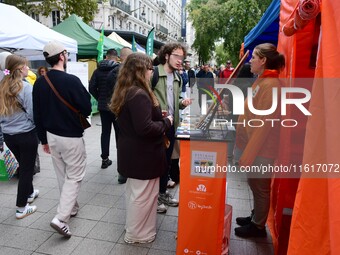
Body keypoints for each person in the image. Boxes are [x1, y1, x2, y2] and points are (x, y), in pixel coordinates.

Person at [109, 53, 173, 243]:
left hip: (134, 152)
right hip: (143, 155)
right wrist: (166, 122)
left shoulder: (128, 90)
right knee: (142, 197)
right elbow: (145, 128)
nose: (152, 72)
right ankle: (137, 234)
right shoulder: (139, 94)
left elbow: (137, 120)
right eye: (150, 68)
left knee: (136, 194)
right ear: (140, 71)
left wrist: (155, 115)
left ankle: (136, 230)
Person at [33, 41, 92, 237]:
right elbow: (87, 107)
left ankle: (72, 207)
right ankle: (61, 217)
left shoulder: (40, 81)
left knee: (62, 174)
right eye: (66, 54)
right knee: (74, 176)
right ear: (61, 56)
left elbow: (37, 114)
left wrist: (43, 140)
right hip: (71, 136)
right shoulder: (72, 81)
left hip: (51, 135)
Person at [234, 43, 285, 238]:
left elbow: (264, 125)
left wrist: (249, 153)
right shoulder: (263, 81)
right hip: (254, 145)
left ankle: (257, 226)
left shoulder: (271, 85)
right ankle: (256, 215)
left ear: (263, 60)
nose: (250, 60)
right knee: (254, 184)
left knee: (260, 186)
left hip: (263, 148)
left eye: (254, 57)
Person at [152, 43, 192, 214]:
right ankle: (152, 199)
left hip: (170, 126)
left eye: (182, 57)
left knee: (166, 163)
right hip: (155, 126)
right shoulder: (153, 73)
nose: (180, 60)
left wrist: (182, 104)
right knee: (155, 163)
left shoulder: (178, 78)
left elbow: (173, 103)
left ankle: (162, 193)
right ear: (166, 55)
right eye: (177, 56)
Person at [0, 54, 39, 219]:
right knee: (26, 169)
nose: (27, 68)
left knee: (23, 166)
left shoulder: (1, 86)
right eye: (25, 66)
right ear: (19, 69)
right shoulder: (26, 87)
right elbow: (32, 112)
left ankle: (29, 193)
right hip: (26, 134)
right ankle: (21, 207)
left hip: (9, 135)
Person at [105, 47, 133, 184]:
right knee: (128, 142)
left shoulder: (112, 73)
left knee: (120, 141)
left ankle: (122, 172)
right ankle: (127, 170)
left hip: (117, 111)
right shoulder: (132, 74)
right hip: (129, 113)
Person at [89, 48, 119, 169]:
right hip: (117, 106)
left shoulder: (97, 70)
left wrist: (99, 97)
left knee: (105, 133)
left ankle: (104, 159)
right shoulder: (118, 70)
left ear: (106, 57)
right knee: (120, 133)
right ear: (116, 58)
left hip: (103, 107)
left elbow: (92, 87)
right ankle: (121, 159)